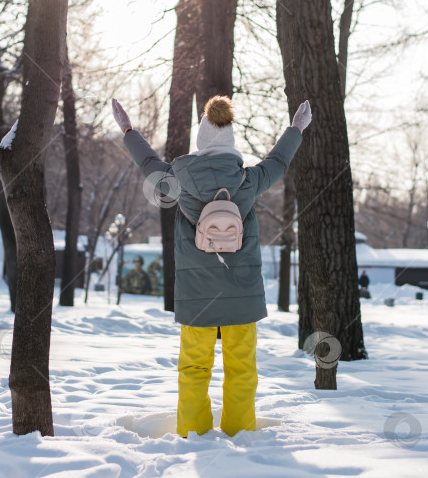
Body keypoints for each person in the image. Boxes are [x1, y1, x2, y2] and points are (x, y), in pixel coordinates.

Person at [112, 94, 311, 438]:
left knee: (193, 367)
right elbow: (278, 162)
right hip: (242, 291)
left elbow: (147, 162)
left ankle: (192, 432)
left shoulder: (177, 179)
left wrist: (128, 129)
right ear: (230, 143)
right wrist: (295, 129)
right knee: (242, 368)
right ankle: (239, 431)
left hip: (195, 295)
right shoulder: (247, 181)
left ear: (200, 142)